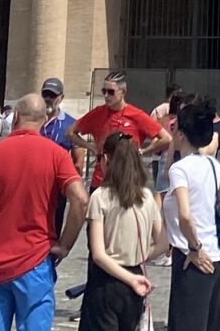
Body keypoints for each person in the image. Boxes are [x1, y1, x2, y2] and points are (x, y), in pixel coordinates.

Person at [0, 92, 88, 331]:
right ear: (44, 120)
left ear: (16, 116)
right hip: (35, 260)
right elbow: (80, 200)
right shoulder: (56, 155)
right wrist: (64, 245)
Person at [164, 98, 220, 331]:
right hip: (216, 258)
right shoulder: (212, 164)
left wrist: (194, 247)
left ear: (182, 135)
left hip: (192, 258)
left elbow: (185, 215)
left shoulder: (180, 169)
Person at [80, 129, 161, 331]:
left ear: (106, 160)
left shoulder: (100, 196)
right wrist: (137, 259)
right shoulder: (146, 196)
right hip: (135, 277)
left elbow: (98, 254)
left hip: (106, 280)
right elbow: (164, 243)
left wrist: (129, 276)